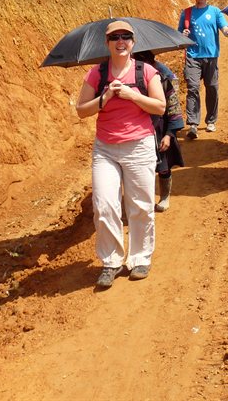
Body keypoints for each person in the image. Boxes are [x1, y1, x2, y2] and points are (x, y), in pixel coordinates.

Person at [75, 20, 166, 288]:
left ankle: (140, 257)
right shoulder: (96, 74)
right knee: (104, 204)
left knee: (140, 205)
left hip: (139, 146)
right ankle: (111, 261)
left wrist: (131, 95)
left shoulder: (146, 72)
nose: (120, 41)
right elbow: (82, 110)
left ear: (133, 42)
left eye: (126, 37)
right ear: (107, 43)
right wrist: (104, 98)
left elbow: (160, 107)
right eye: (115, 37)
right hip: (105, 148)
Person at [178, 0, 228, 139]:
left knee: (211, 88)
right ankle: (193, 124)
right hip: (192, 56)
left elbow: (224, 27)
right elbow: (179, 33)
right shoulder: (187, 13)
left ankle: (211, 120)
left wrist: (227, 32)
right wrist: (183, 34)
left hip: (211, 57)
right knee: (193, 88)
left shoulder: (215, 12)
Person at [132, 50, 184, 212]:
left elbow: (174, 108)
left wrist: (169, 135)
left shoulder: (163, 80)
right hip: (138, 130)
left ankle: (164, 196)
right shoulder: (129, 83)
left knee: (163, 165)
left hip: (160, 129)